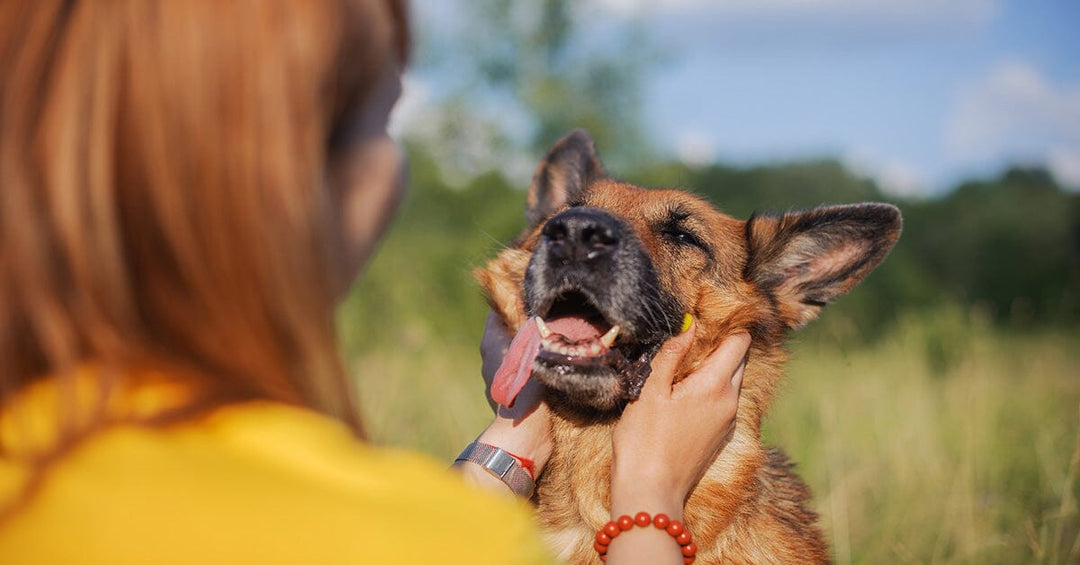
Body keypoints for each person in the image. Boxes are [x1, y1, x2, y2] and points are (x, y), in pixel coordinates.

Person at [0, 1, 749, 563]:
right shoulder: (414, 537)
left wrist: (518, 427)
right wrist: (648, 498)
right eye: (383, 122)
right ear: (304, 179)